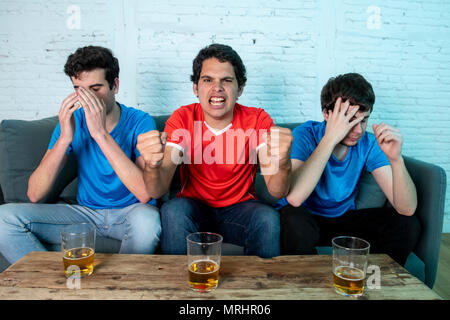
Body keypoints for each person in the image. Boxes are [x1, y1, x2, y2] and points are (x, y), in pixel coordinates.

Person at [0, 46, 161, 264]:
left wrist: (100, 133)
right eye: (80, 89)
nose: (87, 98)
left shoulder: (140, 121)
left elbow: (144, 193)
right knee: (4, 219)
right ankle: (55, 288)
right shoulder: (72, 123)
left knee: (148, 222)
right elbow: (34, 194)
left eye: (95, 88)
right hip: (86, 214)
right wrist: (64, 138)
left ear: (115, 85)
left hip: (131, 213)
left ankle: (121, 290)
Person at [137, 43, 293, 258]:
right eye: (207, 80)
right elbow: (157, 190)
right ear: (195, 88)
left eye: (227, 80)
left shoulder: (256, 119)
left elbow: (277, 191)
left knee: (267, 217)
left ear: (240, 89)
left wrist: (283, 163)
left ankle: (261, 289)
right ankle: (179, 287)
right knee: (173, 211)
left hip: (239, 210)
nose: (217, 88)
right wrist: (152, 166)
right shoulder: (183, 118)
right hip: (193, 209)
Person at [278, 73, 420, 266]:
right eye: (350, 121)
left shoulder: (368, 143)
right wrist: (330, 138)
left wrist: (396, 160)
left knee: (407, 224)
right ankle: (308, 286)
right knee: (293, 218)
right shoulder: (306, 134)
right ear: (327, 114)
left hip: (343, 219)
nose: (359, 130)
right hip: (305, 217)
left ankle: (379, 282)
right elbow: (295, 198)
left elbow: (407, 208)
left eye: (363, 120)